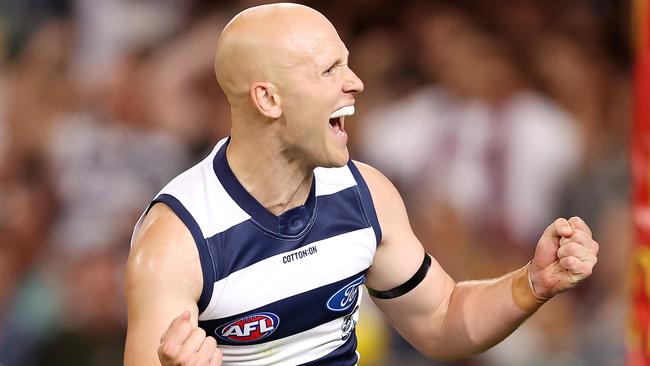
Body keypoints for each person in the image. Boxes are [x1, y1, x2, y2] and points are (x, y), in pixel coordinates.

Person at [124, 3, 599, 366]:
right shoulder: (177, 240)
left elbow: (442, 319)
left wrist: (533, 282)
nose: (356, 83)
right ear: (268, 99)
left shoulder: (364, 193)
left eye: (346, 64)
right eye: (329, 70)